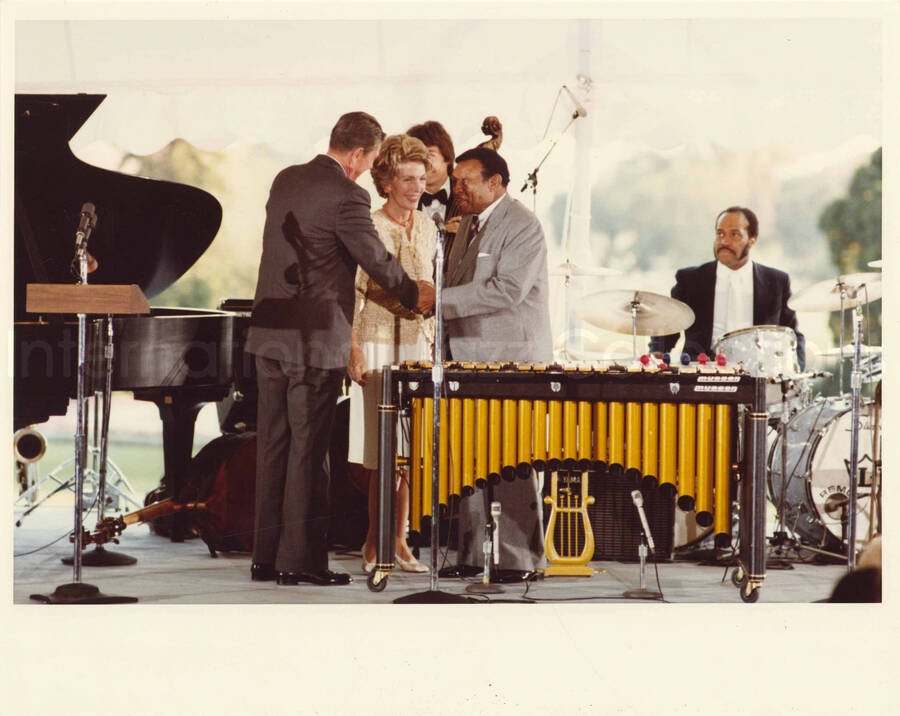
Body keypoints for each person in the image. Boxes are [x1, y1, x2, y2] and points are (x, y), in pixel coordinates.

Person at [244, 112, 435, 587]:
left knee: (272, 448)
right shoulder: (349, 195)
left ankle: (265, 559)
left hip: (268, 334)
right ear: (357, 154)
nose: (367, 167)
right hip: (313, 340)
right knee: (309, 454)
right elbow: (373, 258)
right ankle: (301, 563)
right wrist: (415, 296)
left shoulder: (285, 178)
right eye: (370, 159)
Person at [440, 147, 553, 582]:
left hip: (513, 361)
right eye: (455, 182)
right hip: (466, 360)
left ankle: (519, 560)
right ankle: (474, 555)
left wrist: (438, 301)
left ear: (497, 183)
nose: (457, 190)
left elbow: (507, 290)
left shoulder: (523, 224)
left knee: (514, 462)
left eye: (466, 182)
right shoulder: (465, 225)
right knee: (470, 458)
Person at [347, 134, 435, 574]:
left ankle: (399, 541)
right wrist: (354, 348)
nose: (415, 187)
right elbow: (354, 293)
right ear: (386, 182)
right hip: (378, 342)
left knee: (410, 451)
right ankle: (374, 542)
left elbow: (431, 290)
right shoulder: (370, 225)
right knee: (383, 453)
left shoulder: (429, 226)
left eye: (421, 178)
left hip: (418, 345)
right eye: (406, 178)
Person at [649, 206, 805, 370]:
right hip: (701, 376)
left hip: (757, 377)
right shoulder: (690, 280)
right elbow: (667, 327)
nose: (724, 241)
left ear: (752, 239)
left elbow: (792, 335)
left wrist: (797, 370)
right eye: (720, 234)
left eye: (734, 235)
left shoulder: (777, 282)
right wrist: (657, 353)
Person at [406, 120, 457, 227]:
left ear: (447, 157)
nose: (423, 163)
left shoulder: (469, 193)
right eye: (416, 156)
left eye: (430, 154)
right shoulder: (402, 197)